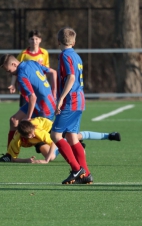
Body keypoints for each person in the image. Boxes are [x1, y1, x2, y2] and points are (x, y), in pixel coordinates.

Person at [50, 27, 91, 185]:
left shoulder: (64, 56)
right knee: (72, 137)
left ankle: (76, 169)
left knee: (55, 135)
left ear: (58, 41)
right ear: (74, 42)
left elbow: (71, 77)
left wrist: (61, 98)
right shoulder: (77, 56)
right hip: (80, 99)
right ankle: (85, 174)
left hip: (71, 100)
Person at [0, 117, 121, 167]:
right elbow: (13, 158)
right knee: (53, 154)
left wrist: (46, 160)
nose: (33, 135)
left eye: (33, 132)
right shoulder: (17, 140)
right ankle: (73, 144)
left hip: (51, 129)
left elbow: (55, 141)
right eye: (30, 135)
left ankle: (109, 135)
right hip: (39, 141)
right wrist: (27, 160)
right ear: (23, 136)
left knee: (75, 136)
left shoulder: (38, 131)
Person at [0, 54, 57, 147]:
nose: (10, 73)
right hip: (37, 103)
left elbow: (32, 97)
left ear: (14, 64)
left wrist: (28, 117)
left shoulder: (22, 74)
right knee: (14, 120)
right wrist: (54, 92)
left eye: (9, 71)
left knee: (38, 136)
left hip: (45, 107)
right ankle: (9, 154)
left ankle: (71, 140)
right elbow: (53, 72)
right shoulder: (32, 63)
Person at [8, 30, 53, 107]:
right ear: (29, 40)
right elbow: (15, 70)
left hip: (39, 87)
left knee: (40, 112)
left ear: (40, 40)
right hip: (26, 88)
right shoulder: (23, 54)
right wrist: (12, 84)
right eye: (32, 39)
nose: (34, 41)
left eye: (36, 39)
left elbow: (47, 70)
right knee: (24, 112)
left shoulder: (44, 53)